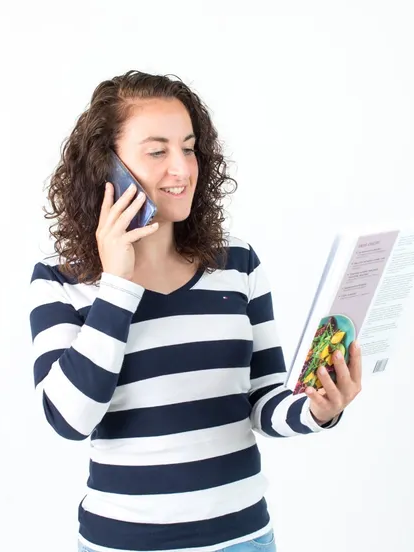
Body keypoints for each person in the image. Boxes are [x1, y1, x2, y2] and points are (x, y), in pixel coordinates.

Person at [28, 70, 363, 552]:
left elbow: (262, 399)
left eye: (188, 148)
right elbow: (67, 419)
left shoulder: (237, 262)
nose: (182, 169)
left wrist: (316, 410)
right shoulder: (63, 280)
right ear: (108, 166)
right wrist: (118, 283)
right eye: (157, 151)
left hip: (243, 538)